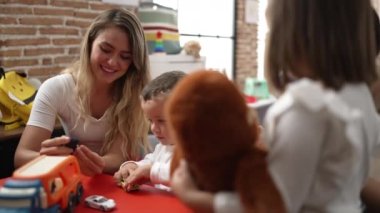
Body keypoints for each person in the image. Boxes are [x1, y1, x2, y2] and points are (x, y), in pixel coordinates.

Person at [171, 0, 380, 212]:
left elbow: (274, 205)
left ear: (290, 34)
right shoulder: (359, 93)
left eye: (271, 28)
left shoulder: (305, 106)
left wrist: (195, 198)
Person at [14, 8, 151, 176]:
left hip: (120, 178)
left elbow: (117, 158)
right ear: (90, 44)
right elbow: (22, 156)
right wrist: (64, 161)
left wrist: (87, 163)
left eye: (125, 57)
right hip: (79, 178)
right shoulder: (56, 88)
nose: (112, 62)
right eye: (106, 49)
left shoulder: (133, 92)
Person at [113, 71, 186, 191]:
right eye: (150, 120)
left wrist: (151, 171)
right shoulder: (164, 146)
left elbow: (186, 174)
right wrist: (133, 166)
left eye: (161, 120)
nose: (153, 128)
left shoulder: (198, 150)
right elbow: (151, 160)